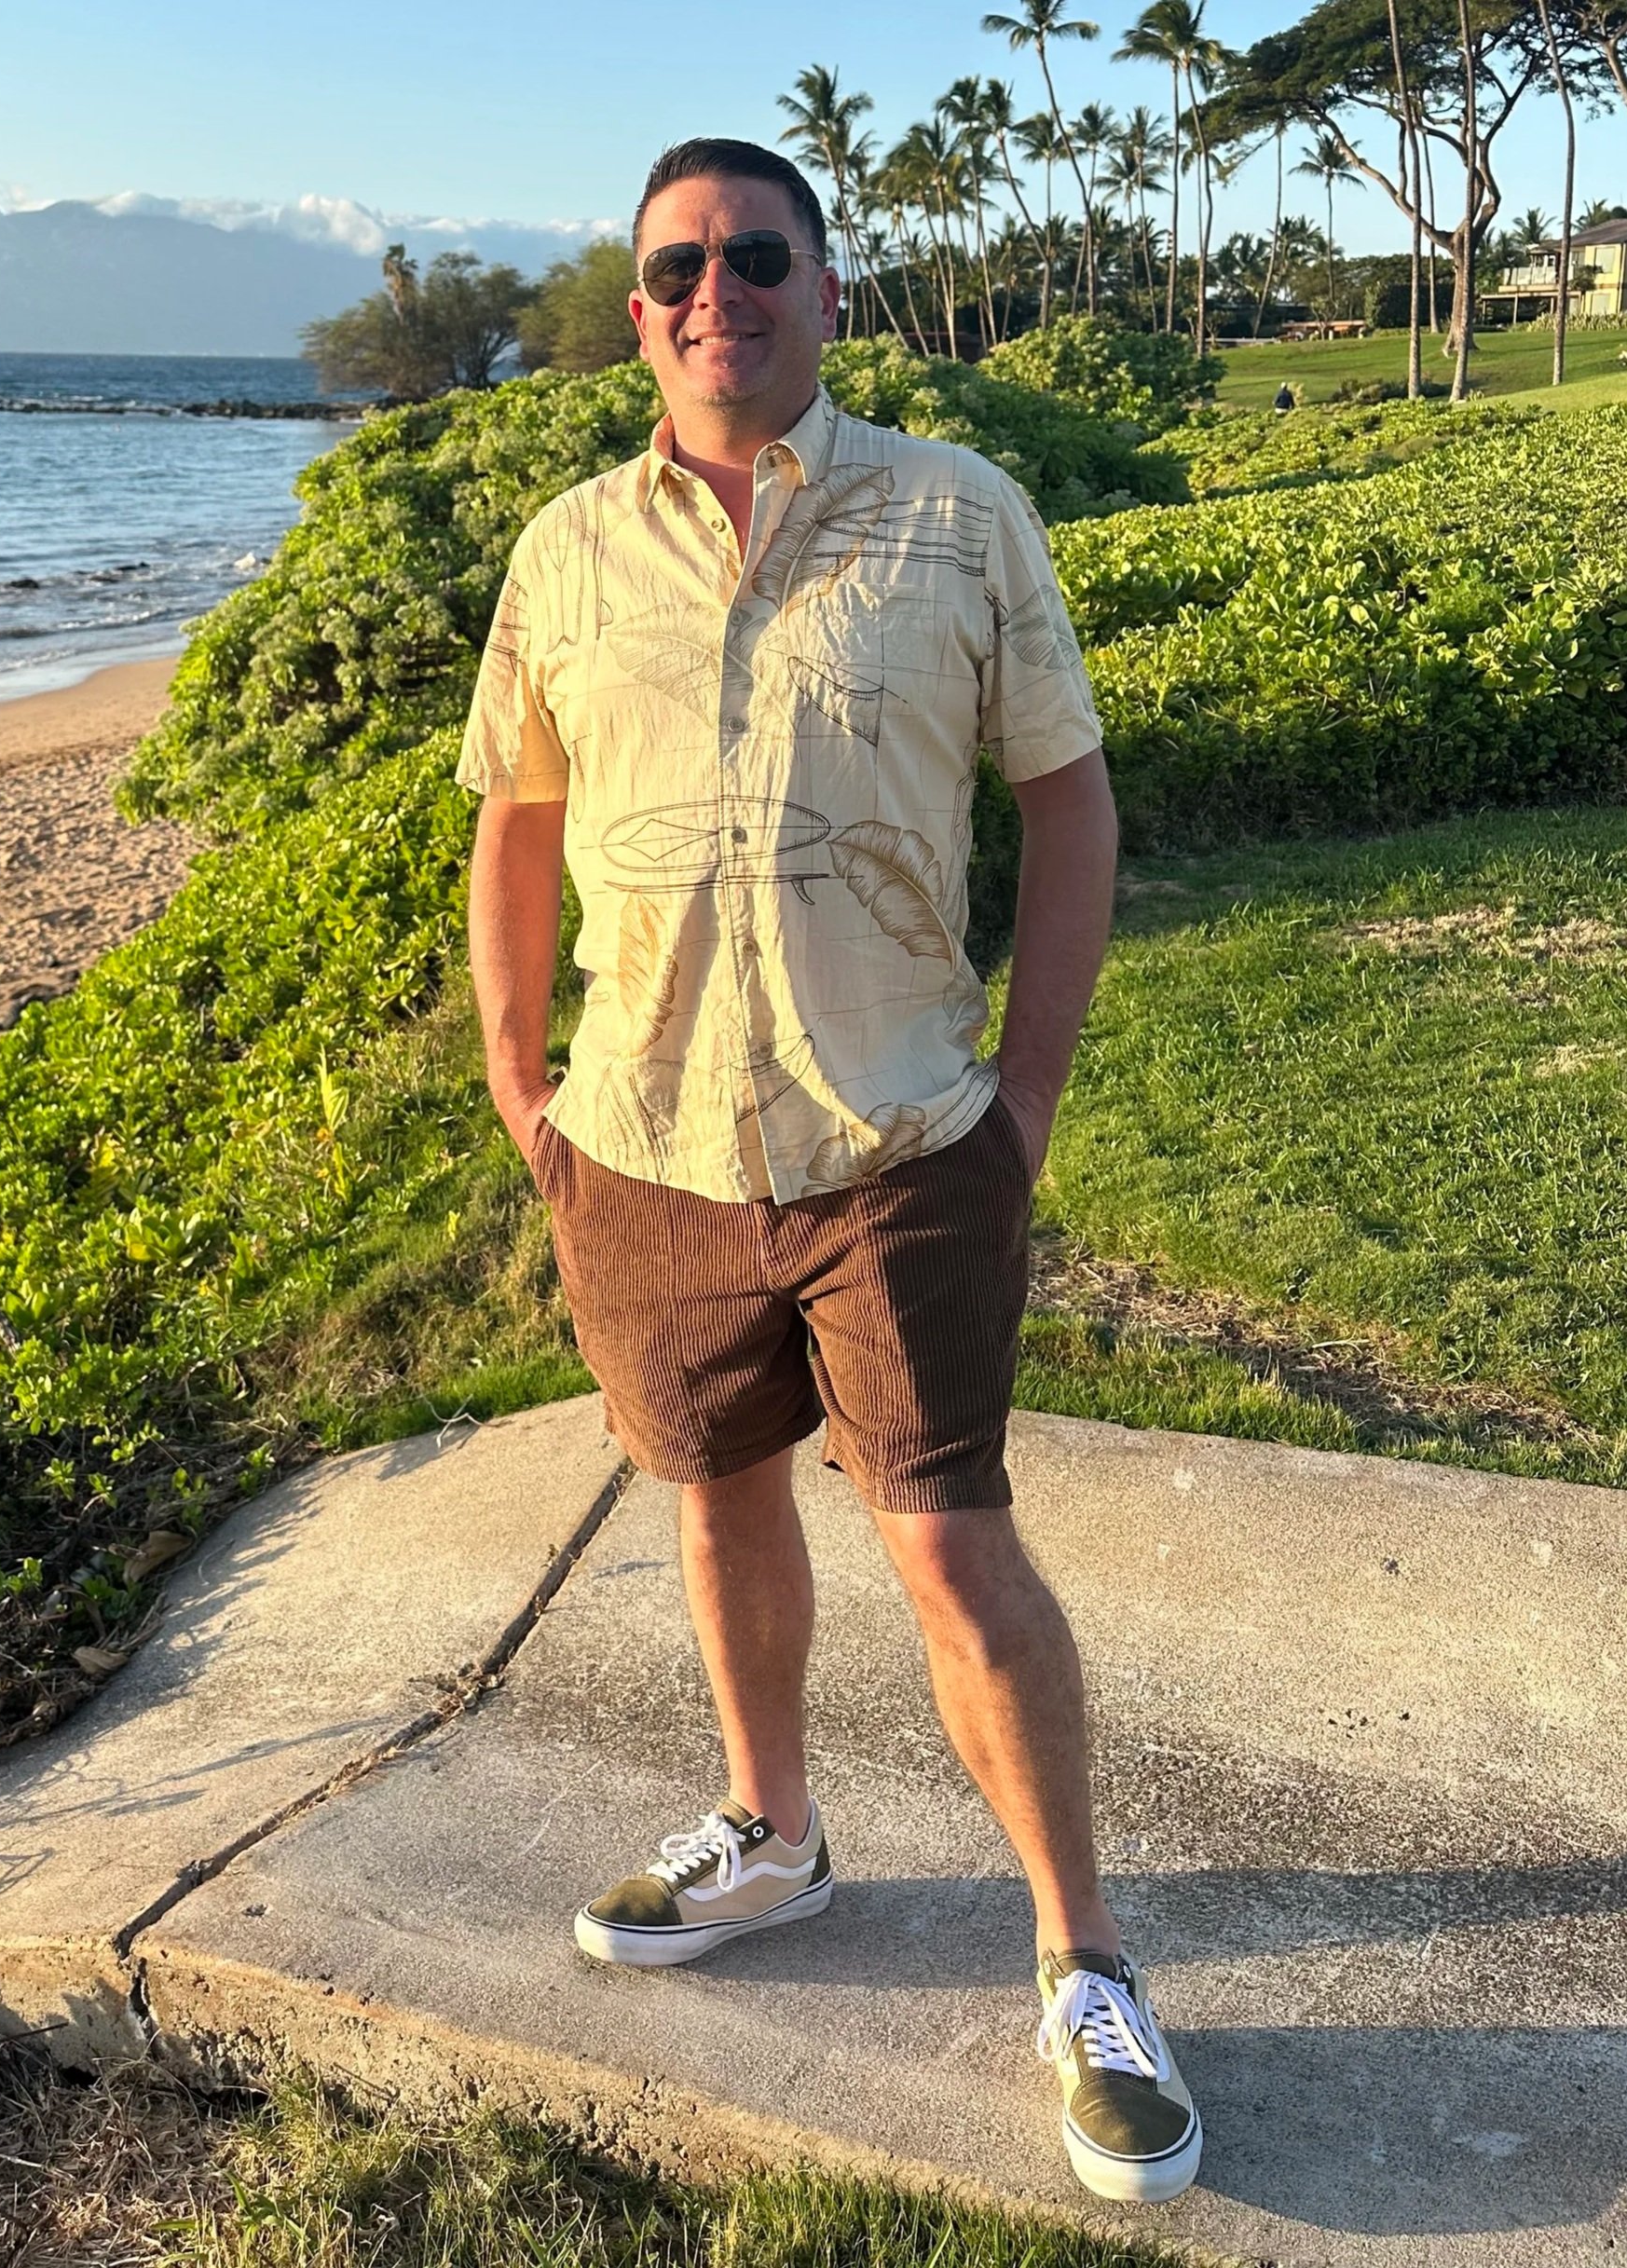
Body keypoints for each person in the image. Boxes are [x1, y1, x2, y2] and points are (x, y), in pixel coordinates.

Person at [458, 135, 1200, 2207]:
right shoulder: (563, 552)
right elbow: (515, 819)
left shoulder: (960, 518)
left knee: (954, 1545)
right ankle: (769, 1831)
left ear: (824, 291)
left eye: (757, 254)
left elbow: (1068, 806)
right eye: (678, 265)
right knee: (711, 1493)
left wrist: (1024, 1101)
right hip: (646, 1140)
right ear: (638, 315)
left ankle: (1083, 1959)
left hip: (897, 1136)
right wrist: (525, 1081)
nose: (720, 291)